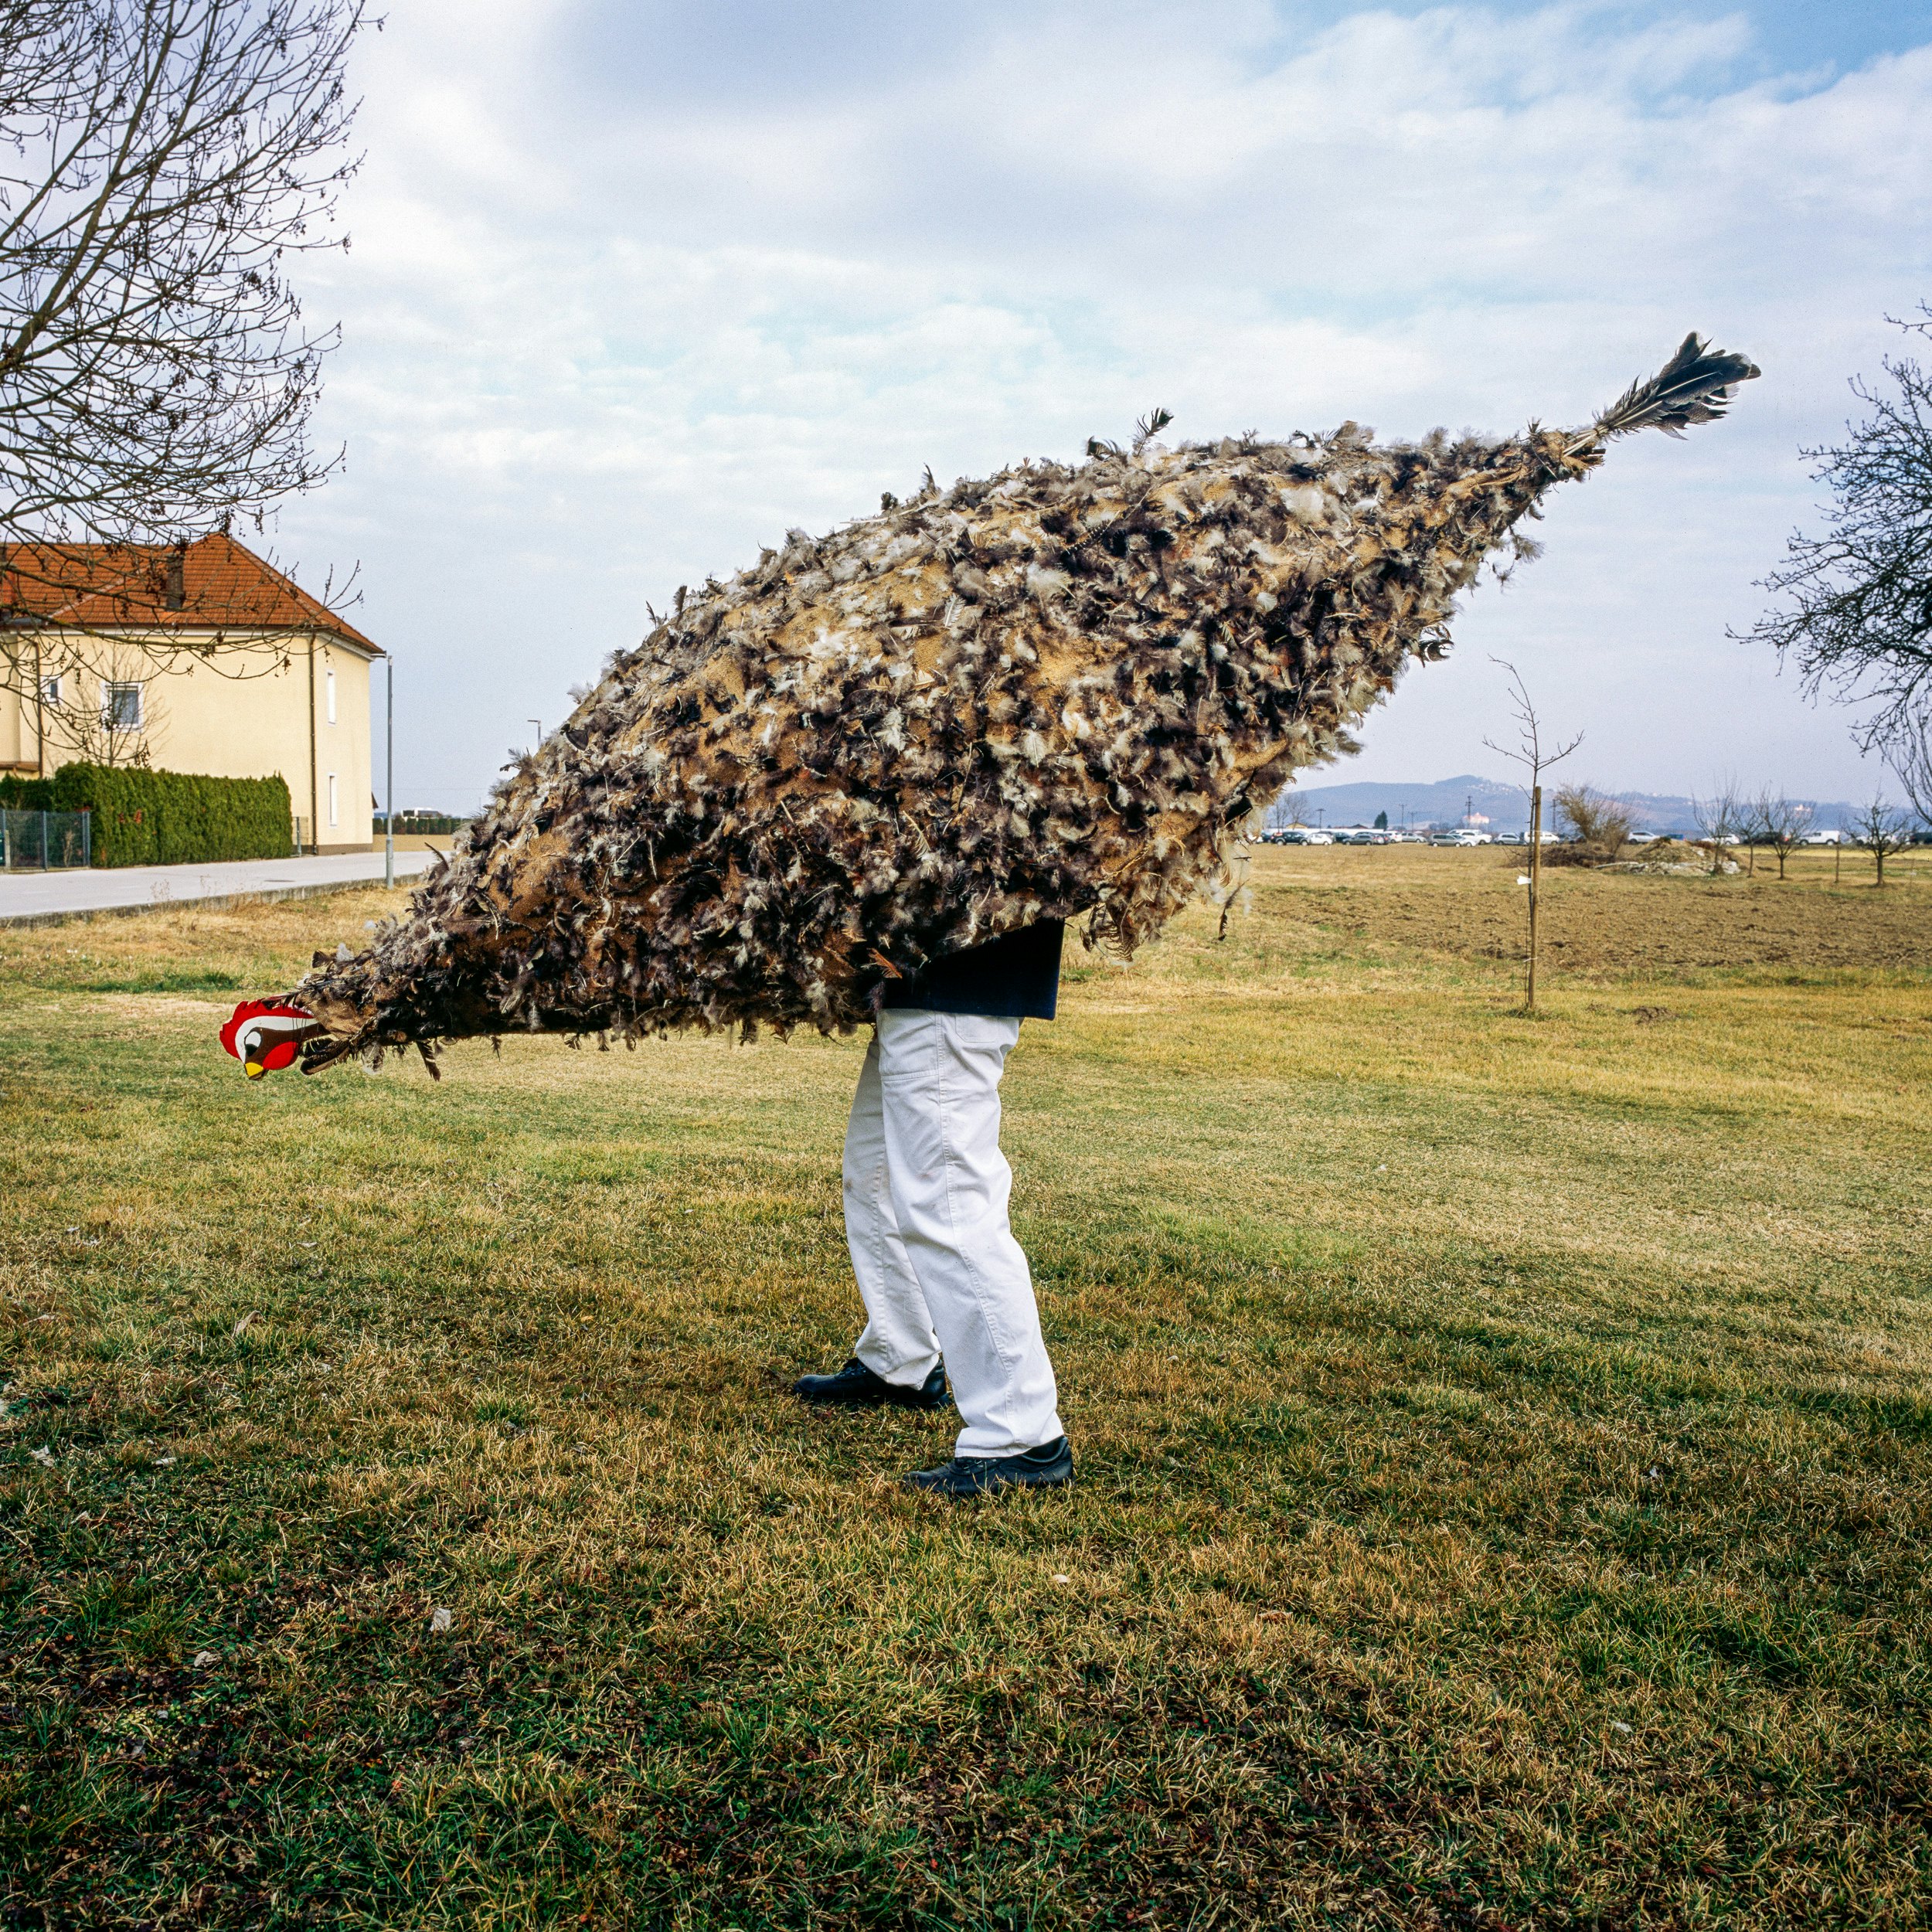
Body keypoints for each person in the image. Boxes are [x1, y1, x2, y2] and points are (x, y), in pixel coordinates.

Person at [792, 918, 1073, 1498]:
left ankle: (1021, 1435)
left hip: (957, 974)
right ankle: (900, 1360)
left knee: (947, 1201)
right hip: (917, 981)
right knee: (875, 1177)